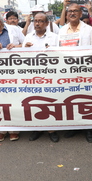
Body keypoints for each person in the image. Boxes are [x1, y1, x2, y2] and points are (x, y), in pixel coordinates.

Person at [58, 3, 92, 142]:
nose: (72, 13)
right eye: (69, 11)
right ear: (66, 14)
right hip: (69, 72)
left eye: (75, 11)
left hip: (86, 70)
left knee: (86, 100)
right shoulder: (62, 31)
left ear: (81, 14)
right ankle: (74, 126)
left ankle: (89, 129)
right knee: (72, 99)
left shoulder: (88, 30)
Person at [0, 11, 24, 142]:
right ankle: (1, 129)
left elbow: (26, 45)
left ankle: (14, 129)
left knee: (14, 99)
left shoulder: (15, 30)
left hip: (15, 71)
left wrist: (16, 46)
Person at [23, 12, 59, 142]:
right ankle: (37, 128)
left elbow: (61, 56)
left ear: (46, 23)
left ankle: (52, 130)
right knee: (35, 102)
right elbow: (20, 59)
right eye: (35, 21)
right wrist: (24, 49)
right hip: (33, 77)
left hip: (50, 76)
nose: (37, 23)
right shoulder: (28, 37)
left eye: (40, 21)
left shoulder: (54, 37)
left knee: (50, 102)